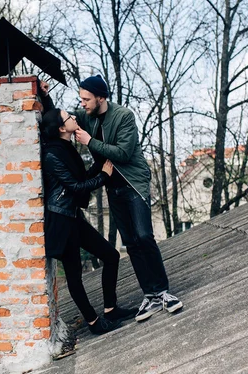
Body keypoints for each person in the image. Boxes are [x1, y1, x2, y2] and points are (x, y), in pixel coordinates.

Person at [74, 74, 183, 322]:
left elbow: (123, 153)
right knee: (131, 243)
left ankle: (163, 292)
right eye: (81, 99)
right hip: (113, 188)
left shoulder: (123, 116)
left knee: (144, 236)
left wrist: (90, 141)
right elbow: (65, 118)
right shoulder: (87, 116)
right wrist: (45, 97)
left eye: (86, 99)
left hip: (133, 183)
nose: (82, 104)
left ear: (101, 97)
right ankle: (151, 295)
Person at [40, 107, 135, 334]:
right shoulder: (53, 154)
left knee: (111, 256)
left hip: (73, 217)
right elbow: (74, 187)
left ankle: (110, 309)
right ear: (62, 128)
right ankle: (94, 322)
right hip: (62, 221)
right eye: (69, 117)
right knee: (74, 276)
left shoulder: (65, 148)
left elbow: (80, 177)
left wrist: (101, 162)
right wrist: (103, 176)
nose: (74, 117)